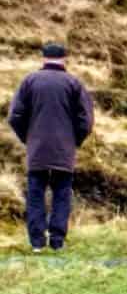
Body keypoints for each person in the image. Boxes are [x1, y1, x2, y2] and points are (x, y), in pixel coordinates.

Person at [7, 43, 94, 253]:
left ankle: (37, 243)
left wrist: (28, 138)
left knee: (35, 194)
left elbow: (14, 116)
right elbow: (86, 120)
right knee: (62, 194)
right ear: (64, 58)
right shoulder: (74, 83)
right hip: (64, 151)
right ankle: (57, 241)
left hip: (37, 150)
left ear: (43, 58)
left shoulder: (29, 81)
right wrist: (74, 141)